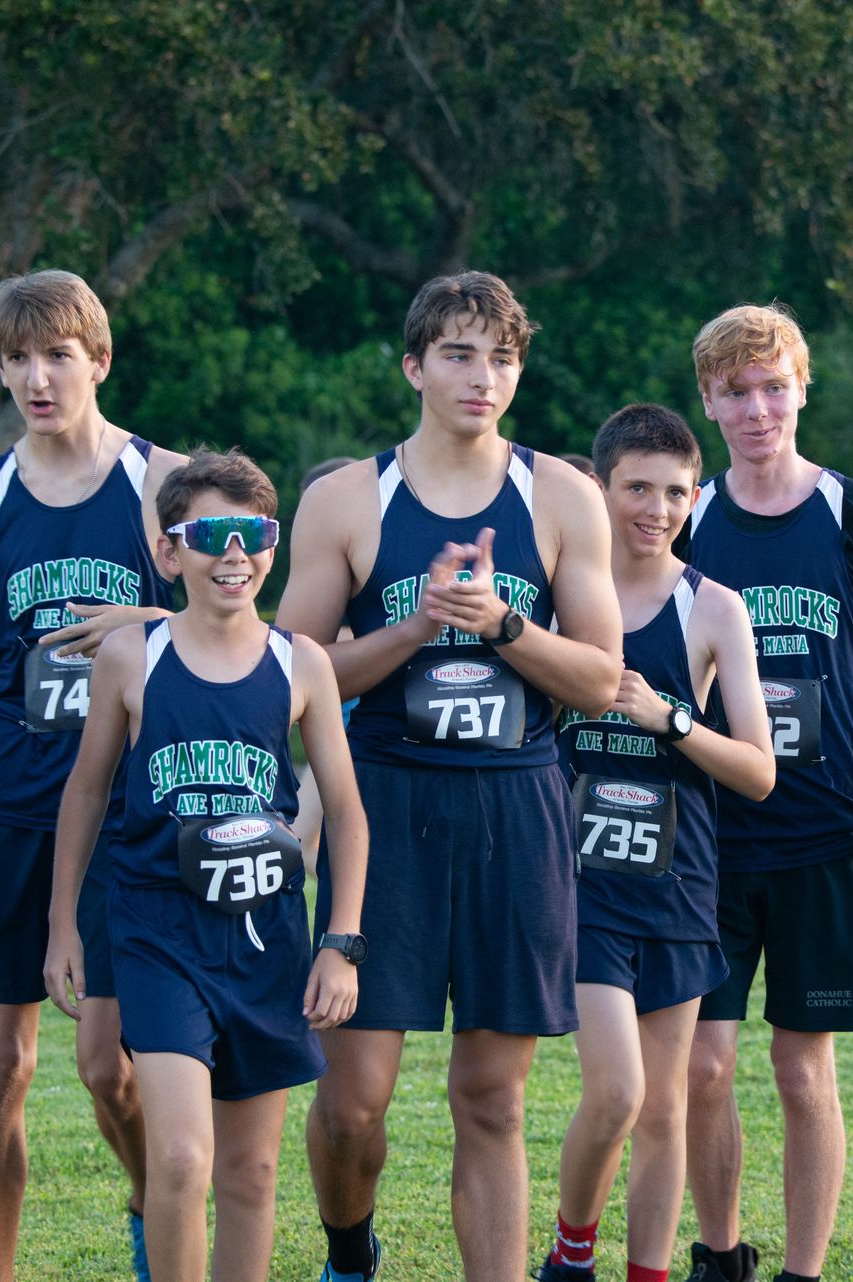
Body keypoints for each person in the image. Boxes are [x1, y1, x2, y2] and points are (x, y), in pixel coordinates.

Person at [276, 270, 622, 1282]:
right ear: (414, 367)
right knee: (354, 1101)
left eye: (502, 358)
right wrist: (417, 627)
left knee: (493, 1099)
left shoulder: (562, 495)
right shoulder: (347, 498)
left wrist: (503, 624)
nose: (483, 377)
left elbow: (602, 681)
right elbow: (289, 675)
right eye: (460, 355)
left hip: (518, 803)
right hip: (386, 803)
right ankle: (350, 1255)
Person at [44, 449, 368, 1281]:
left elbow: (346, 810)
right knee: (183, 1158)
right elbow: (86, 794)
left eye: (252, 534)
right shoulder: (133, 657)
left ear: (273, 545)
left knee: (250, 1172)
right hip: (158, 930)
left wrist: (341, 942)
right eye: (210, 535)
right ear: (169, 551)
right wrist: (62, 928)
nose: (233, 554)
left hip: (264, 937)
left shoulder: (301, 662)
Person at [0, 269, 187, 1280]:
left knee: (105, 1069)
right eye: (16, 360)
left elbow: (244, 634)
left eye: (57, 356)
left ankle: (151, 1200)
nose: (36, 379)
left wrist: (151, 618)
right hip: (12, 796)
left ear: (100, 359)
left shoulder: (164, 482)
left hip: (131, 804)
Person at [677, 304, 853, 1282]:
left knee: (801, 1068)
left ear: (802, 389)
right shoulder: (687, 517)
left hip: (825, 838)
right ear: (708, 402)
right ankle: (719, 1257)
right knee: (703, 1064)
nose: (757, 409)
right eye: (736, 392)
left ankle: (804, 1271)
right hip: (707, 836)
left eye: (774, 387)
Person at [541, 405, 774, 1282]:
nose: (657, 509)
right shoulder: (557, 598)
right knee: (617, 1092)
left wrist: (668, 718)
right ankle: (571, 1253)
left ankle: (646, 1273)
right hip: (580, 884)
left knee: (667, 1109)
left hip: (678, 882)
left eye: (677, 493)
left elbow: (758, 771)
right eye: (637, 488)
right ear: (599, 487)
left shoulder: (714, 608)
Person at [289, 454, 359, 875]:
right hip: (333, 723)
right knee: (300, 839)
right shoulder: (316, 569)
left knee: (302, 838)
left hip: (359, 726)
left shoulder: (370, 562)